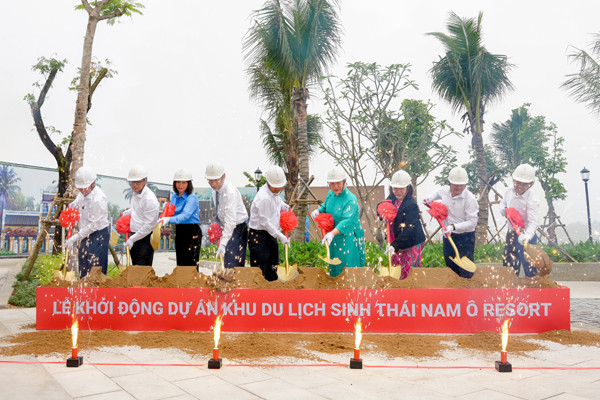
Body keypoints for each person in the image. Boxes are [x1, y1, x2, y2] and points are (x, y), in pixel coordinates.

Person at [423, 166, 478, 278]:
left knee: (465, 272)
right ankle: (453, 292)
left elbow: (472, 223)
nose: (457, 187)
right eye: (454, 184)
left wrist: (453, 227)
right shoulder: (445, 191)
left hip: (465, 238)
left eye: (461, 184)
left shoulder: (470, 199)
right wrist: (429, 198)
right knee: (450, 268)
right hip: (449, 236)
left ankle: (466, 293)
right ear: (450, 182)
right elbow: (437, 193)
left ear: (465, 184)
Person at [311, 167, 365, 277]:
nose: (335, 186)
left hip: (348, 238)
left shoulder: (351, 199)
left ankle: (349, 293)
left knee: (347, 268)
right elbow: (325, 206)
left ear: (344, 182)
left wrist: (331, 233)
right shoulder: (330, 194)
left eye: (338, 183)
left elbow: (346, 221)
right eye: (332, 183)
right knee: (334, 267)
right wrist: (318, 211)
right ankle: (335, 292)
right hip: (333, 237)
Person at [248, 166, 291, 281]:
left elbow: (276, 200)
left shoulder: (274, 192)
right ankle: (258, 296)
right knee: (260, 270)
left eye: (280, 187)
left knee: (273, 266)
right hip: (259, 236)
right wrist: (280, 235)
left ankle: (271, 292)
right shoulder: (264, 198)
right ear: (268, 182)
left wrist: (283, 205)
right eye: (275, 187)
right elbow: (265, 222)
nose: (278, 189)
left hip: (270, 234)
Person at [381, 170, 426, 280]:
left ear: (408, 187)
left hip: (413, 241)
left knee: (409, 272)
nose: (398, 191)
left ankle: (411, 293)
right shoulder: (390, 199)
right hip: (397, 240)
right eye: (395, 188)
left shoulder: (411, 205)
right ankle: (398, 292)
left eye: (401, 188)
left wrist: (394, 245)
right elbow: (381, 206)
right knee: (397, 269)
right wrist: (381, 212)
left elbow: (408, 230)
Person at [66, 166, 110, 278]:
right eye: (80, 188)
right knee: (84, 264)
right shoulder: (82, 192)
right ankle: (84, 291)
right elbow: (77, 201)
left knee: (95, 268)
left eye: (85, 187)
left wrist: (74, 238)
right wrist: (71, 208)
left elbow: (93, 225)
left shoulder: (99, 199)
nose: (83, 190)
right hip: (86, 235)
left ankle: (97, 293)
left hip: (98, 235)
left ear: (93, 183)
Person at [499, 163, 540, 277]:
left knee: (530, 267)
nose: (520, 186)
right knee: (509, 267)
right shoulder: (508, 192)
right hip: (511, 233)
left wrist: (526, 236)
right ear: (513, 180)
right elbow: (503, 203)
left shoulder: (532, 199)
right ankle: (509, 291)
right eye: (518, 182)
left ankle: (532, 291)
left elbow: (533, 222)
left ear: (531, 184)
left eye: (524, 184)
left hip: (527, 237)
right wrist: (503, 209)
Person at [206, 162, 249, 268]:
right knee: (226, 263)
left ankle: (236, 284)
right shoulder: (214, 190)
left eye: (216, 180)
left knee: (234, 264)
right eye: (210, 180)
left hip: (238, 228)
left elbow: (231, 221)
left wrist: (223, 243)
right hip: (226, 227)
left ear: (223, 176)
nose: (213, 183)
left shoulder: (230, 192)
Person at [158, 168, 202, 268]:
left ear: (189, 184)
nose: (180, 185)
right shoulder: (174, 196)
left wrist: (169, 219)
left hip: (192, 231)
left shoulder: (192, 198)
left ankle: (192, 283)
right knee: (181, 261)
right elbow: (172, 211)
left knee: (191, 263)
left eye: (183, 182)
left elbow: (185, 215)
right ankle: (182, 283)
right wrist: (166, 212)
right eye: (178, 182)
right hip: (180, 229)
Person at [122, 164, 159, 266]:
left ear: (145, 181)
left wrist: (132, 239)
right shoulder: (136, 193)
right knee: (135, 266)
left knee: (142, 270)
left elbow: (148, 226)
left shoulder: (149, 199)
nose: (134, 185)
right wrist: (129, 212)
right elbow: (138, 209)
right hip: (135, 236)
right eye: (132, 182)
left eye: (138, 182)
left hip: (145, 239)